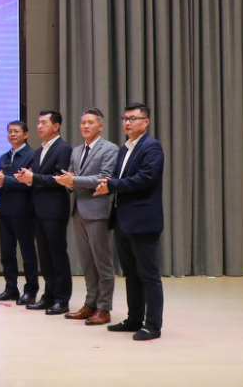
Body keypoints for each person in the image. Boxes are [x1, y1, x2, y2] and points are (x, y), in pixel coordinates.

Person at [95, 102, 165, 341]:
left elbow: (146, 178)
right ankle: (134, 318)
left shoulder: (152, 147)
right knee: (131, 274)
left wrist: (112, 185)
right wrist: (107, 183)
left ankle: (153, 325)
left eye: (133, 118)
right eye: (125, 118)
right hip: (123, 220)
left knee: (149, 275)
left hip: (143, 221)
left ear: (146, 122)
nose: (127, 122)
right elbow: (117, 177)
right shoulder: (125, 149)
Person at [54, 108, 117, 325]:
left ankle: (104, 308)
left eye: (90, 122)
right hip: (78, 211)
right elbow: (71, 177)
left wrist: (73, 181)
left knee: (102, 263)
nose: (86, 126)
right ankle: (90, 304)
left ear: (101, 126)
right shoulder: (76, 151)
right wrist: (67, 182)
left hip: (98, 212)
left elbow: (104, 178)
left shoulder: (109, 149)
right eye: (83, 123)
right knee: (87, 263)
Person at [15, 110, 72, 315]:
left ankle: (62, 299)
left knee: (57, 255)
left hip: (55, 209)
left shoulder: (63, 148)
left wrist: (34, 178)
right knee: (45, 257)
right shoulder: (39, 150)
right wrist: (26, 177)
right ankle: (49, 296)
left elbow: (60, 179)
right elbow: (37, 176)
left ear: (56, 126)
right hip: (38, 209)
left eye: (44, 123)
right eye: (38, 122)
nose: (39, 126)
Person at [0, 120, 39, 304]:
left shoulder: (32, 155)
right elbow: (3, 182)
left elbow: (28, 182)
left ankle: (31, 290)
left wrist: (5, 180)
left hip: (24, 210)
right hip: (5, 210)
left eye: (16, 131)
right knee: (7, 253)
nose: (12, 134)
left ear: (25, 134)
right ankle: (11, 289)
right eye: (9, 131)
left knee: (27, 253)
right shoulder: (4, 157)